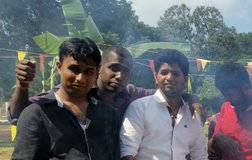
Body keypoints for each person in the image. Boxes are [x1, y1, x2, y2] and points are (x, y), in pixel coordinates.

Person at [120, 49, 213, 160]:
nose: (169, 78)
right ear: (156, 77)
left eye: (176, 73)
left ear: (185, 80)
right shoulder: (139, 108)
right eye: (164, 72)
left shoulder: (192, 115)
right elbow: (127, 154)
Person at [9, 45, 153, 123]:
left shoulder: (132, 94)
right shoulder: (78, 90)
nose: (119, 76)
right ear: (99, 68)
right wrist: (22, 85)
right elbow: (18, 115)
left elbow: (164, 95)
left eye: (125, 71)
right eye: (114, 68)